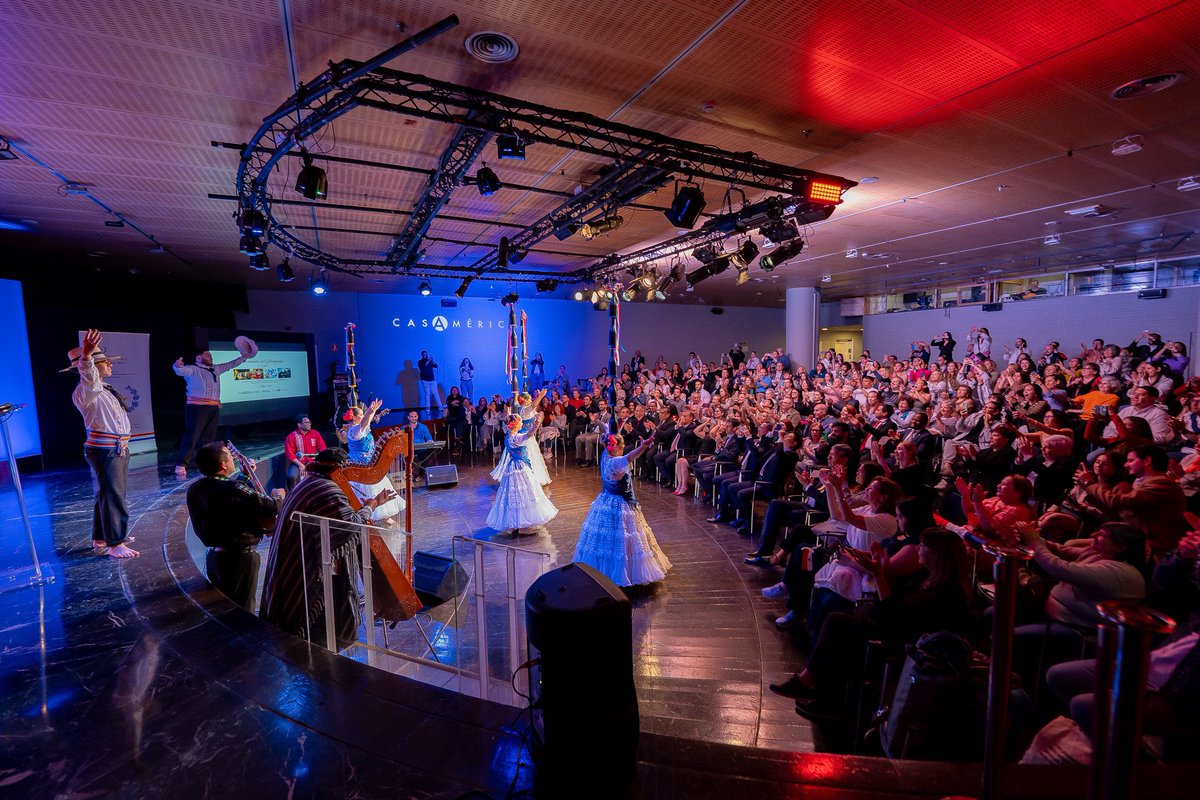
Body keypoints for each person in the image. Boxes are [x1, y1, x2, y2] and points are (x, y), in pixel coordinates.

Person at [260, 448, 396, 651]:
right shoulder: (327, 490)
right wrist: (372, 505)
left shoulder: (309, 482)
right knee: (324, 628)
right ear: (339, 470)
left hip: (296, 561)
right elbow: (350, 526)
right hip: (307, 571)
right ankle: (325, 655)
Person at [187, 442, 283, 611]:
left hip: (216, 558)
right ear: (223, 465)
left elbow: (230, 499)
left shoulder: (195, 488)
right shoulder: (233, 489)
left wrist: (244, 477)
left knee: (223, 609)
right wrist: (279, 496)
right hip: (240, 561)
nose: (234, 460)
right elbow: (269, 506)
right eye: (231, 458)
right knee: (243, 609)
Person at [67, 329, 138, 558]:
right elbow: (88, 377)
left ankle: (101, 537)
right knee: (113, 494)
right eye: (106, 362)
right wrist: (86, 357)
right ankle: (115, 543)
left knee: (108, 494)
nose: (111, 365)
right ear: (94, 366)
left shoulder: (104, 390)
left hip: (117, 448)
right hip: (104, 449)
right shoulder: (86, 390)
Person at [573, 434, 672, 586]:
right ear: (618, 447)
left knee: (607, 538)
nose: (624, 448)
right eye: (622, 445)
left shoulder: (605, 455)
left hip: (606, 498)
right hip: (619, 502)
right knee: (623, 535)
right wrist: (644, 445)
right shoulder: (616, 462)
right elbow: (632, 456)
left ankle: (602, 570)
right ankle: (624, 573)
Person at [172, 347, 250, 478]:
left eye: (211, 355)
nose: (211, 357)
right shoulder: (193, 369)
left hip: (213, 407)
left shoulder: (215, 369)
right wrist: (177, 365)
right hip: (197, 407)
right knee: (193, 435)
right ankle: (182, 463)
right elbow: (180, 370)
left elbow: (230, 364)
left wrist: (244, 357)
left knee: (208, 438)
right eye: (207, 355)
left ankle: (206, 463)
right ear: (198, 358)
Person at [486, 413, 558, 535]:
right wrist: (537, 424)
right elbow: (528, 435)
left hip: (512, 467)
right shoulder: (515, 437)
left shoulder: (508, 436)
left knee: (513, 495)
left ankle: (515, 525)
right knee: (523, 494)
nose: (521, 423)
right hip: (519, 467)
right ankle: (523, 526)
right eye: (519, 422)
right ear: (515, 424)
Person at [343, 400, 405, 524]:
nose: (364, 415)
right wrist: (370, 411)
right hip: (361, 467)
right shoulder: (354, 431)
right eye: (361, 414)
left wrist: (374, 411)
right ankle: (368, 515)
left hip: (371, 465)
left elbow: (366, 421)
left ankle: (383, 515)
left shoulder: (360, 429)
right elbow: (365, 421)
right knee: (368, 488)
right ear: (355, 417)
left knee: (379, 483)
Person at [490, 390, 551, 486]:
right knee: (527, 456)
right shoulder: (524, 410)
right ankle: (526, 478)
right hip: (525, 436)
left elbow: (519, 403)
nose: (531, 400)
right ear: (526, 401)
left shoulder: (520, 408)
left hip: (528, 435)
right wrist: (540, 396)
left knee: (532, 456)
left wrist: (516, 395)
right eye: (530, 399)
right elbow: (534, 405)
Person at [283, 414, 326, 490]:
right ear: (299, 424)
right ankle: (292, 496)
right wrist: (301, 465)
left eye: (309, 422)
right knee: (291, 476)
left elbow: (323, 449)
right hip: (298, 463)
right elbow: (289, 454)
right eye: (306, 422)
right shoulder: (292, 436)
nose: (309, 424)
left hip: (313, 462)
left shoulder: (315, 433)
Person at [417, 349, 440, 418]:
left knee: (436, 393)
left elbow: (436, 366)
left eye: (426, 354)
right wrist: (429, 360)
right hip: (425, 380)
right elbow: (424, 366)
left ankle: (440, 407)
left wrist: (432, 361)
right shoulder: (420, 362)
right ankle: (428, 409)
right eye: (424, 354)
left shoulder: (430, 361)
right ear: (422, 355)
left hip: (432, 380)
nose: (425, 355)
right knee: (427, 394)